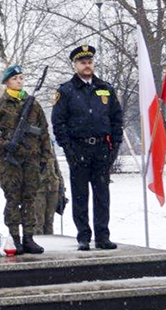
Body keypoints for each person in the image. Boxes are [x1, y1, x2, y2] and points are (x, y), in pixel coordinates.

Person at [51, 45, 123, 251]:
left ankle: (103, 236)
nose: (87, 65)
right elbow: (59, 122)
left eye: (90, 62)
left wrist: (115, 145)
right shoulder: (66, 91)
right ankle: (83, 236)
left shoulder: (105, 88)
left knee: (102, 195)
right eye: (83, 62)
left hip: (101, 148)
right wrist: (68, 149)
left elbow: (116, 118)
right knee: (80, 195)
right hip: (79, 149)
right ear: (75, 65)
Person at [0, 65, 54, 255]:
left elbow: (43, 131)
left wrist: (46, 157)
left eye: (21, 78)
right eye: (15, 79)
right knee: (13, 199)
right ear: (7, 82)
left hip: (31, 159)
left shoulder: (32, 104)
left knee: (29, 199)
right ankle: (15, 238)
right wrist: (2, 142)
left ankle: (29, 238)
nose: (19, 81)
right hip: (10, 161)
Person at [34, 156, 65, 235]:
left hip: (53, 188)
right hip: (38, 189)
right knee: (38, 220)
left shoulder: (50, 151)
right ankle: (39, 241)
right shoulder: (32, 149)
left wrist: (61, 189)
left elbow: (57, 170)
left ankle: (50, 240)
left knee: (49, 221)